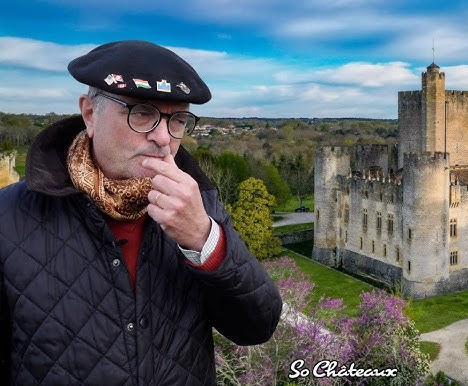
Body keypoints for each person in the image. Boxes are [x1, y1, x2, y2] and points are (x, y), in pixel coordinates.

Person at [0, 40, 282, 385]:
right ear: (90, 114)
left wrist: (204, 240)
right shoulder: (10, 216)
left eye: (177, 120)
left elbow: (257, 326)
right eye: (143, 113)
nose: (164, 138)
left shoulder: (200, 204)